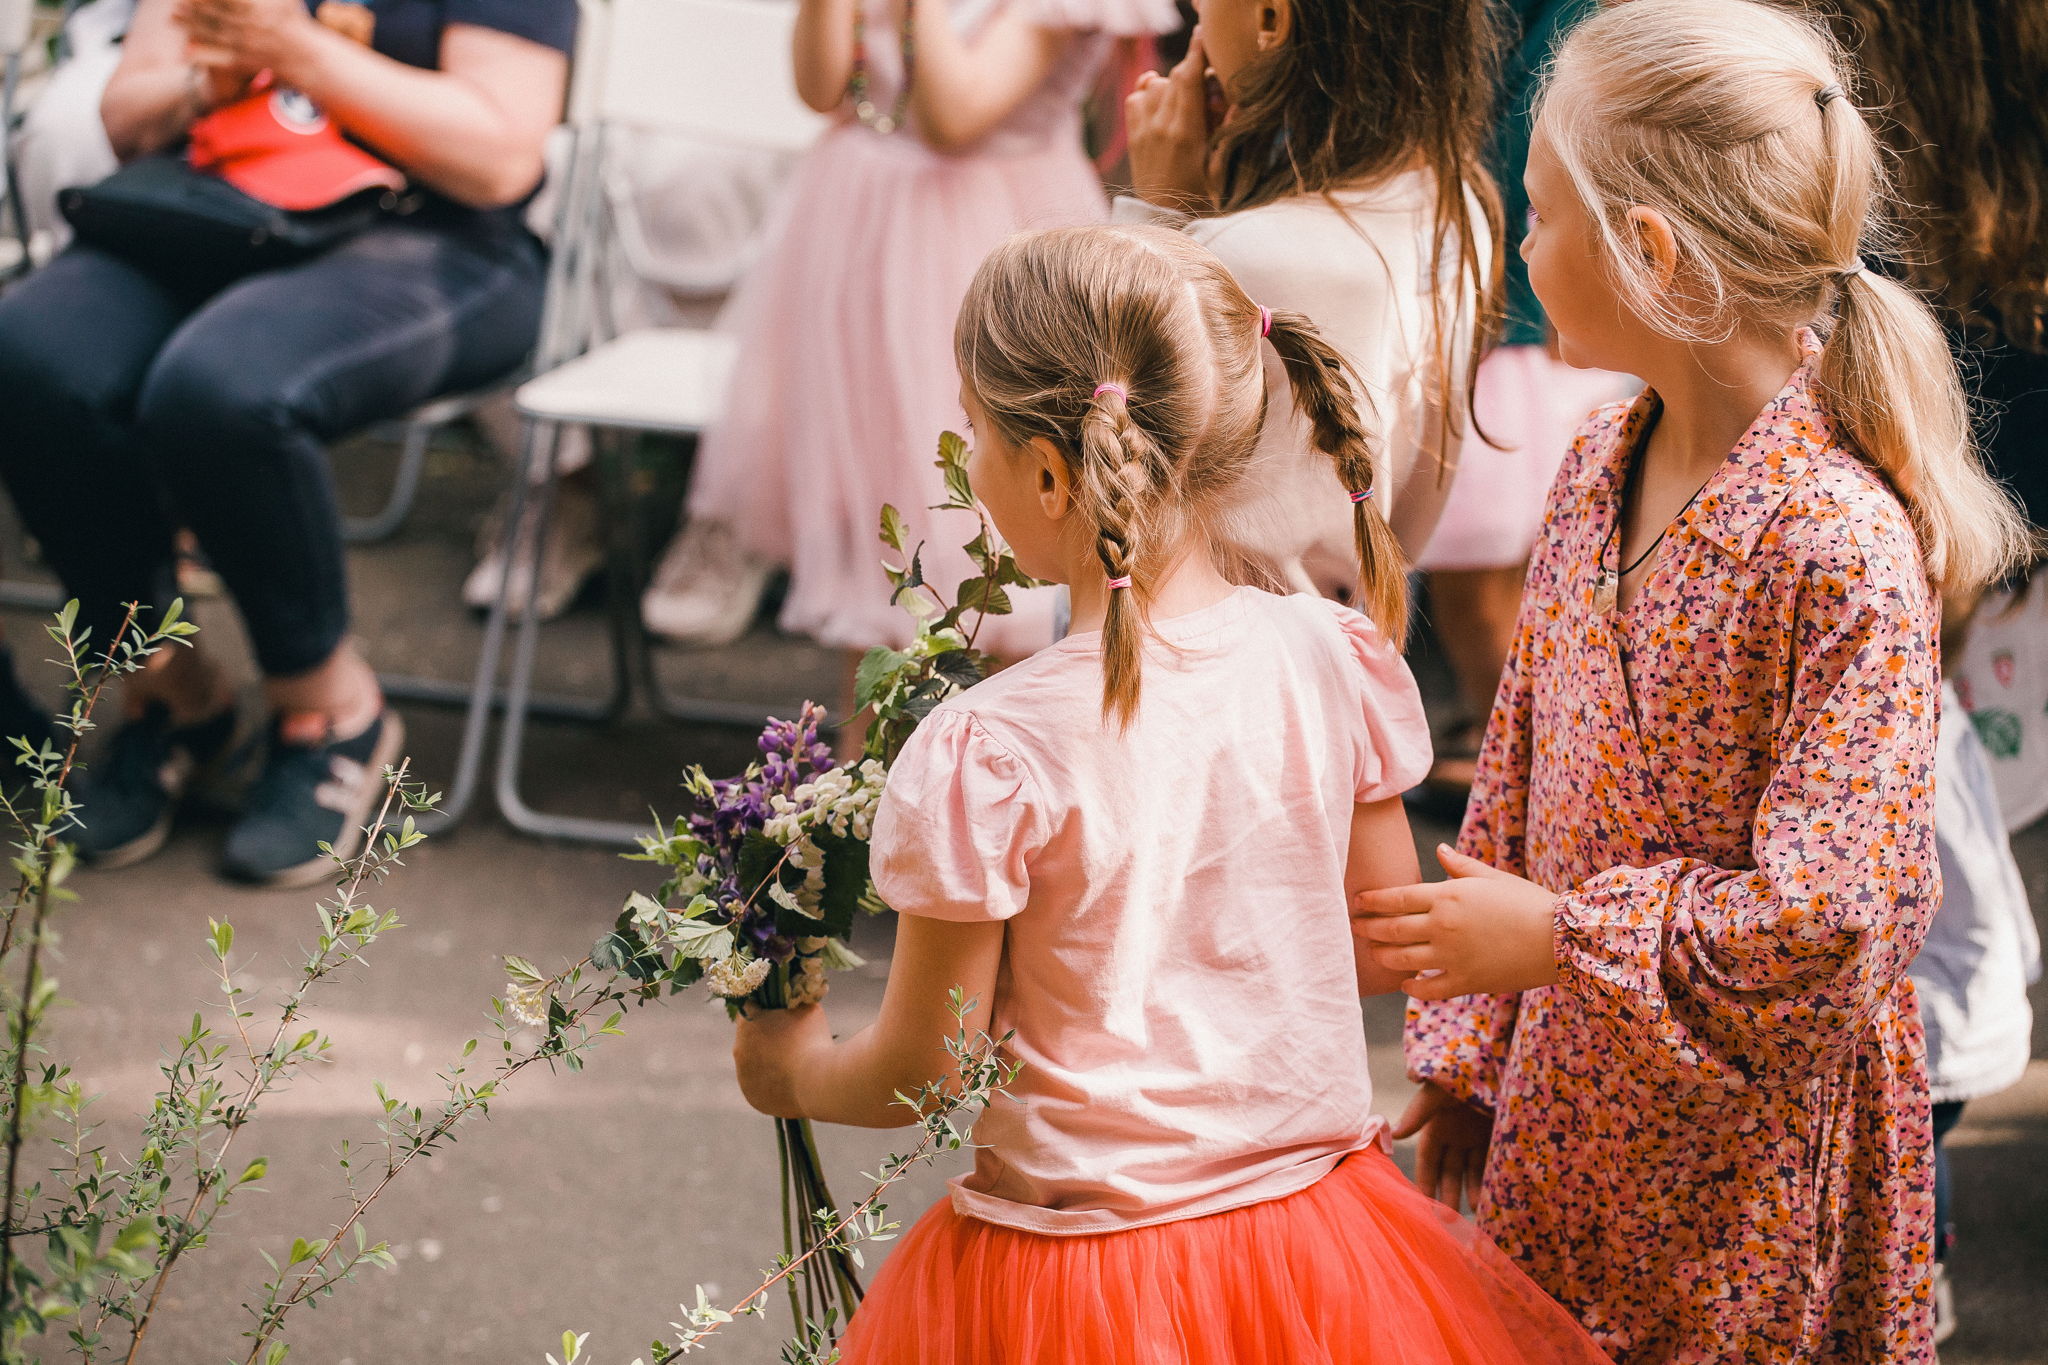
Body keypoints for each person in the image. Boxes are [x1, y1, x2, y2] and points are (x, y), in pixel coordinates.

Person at [730, 226, 1614, 1363]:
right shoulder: (1327, 655)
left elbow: (926, 1071)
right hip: (1313, 1249)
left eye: (972, 432)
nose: (965, 459)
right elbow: (1380, 947)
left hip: (1076, 1281)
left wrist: (787, 1065)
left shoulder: (987, 751)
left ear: (1048, 474)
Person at [1353, 2, 2033, 1361]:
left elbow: (1836, 919)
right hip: (1572, 1136)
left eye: (1540, 212)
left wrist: (1560, 938)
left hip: (1753, 1203)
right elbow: (1522, 778)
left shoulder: (1839, 543)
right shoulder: (1598, 461)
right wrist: (1475, 1053)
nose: (1520, 243)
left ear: (1650, 253)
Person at [0, 0, 573, 885]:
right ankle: (172, 689)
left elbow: (498, 156)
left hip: (439, 233)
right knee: (31, 357)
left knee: (222, 389)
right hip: (228, 204)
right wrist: (207, 83)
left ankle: (331, 709)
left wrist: (296, 52)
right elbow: (126, 120)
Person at [642, 0, 1179, 652]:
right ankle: (866, 745)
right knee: (877, 533)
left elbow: (954, 117)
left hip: (991, 254)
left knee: (983, 525)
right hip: (859, 250)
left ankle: (999, 737)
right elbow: (822, 90)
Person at [1117, 0, 1499, 592]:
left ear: (1271, 19)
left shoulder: (1245, 254)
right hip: (1354, 635)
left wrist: (1162, 216)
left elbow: (1117, 470)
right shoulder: (1456, 203)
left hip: (1211, 655)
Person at [1412, 0, 1631, 807]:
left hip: (1503, 295)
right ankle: (1519, 751)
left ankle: (1537, 769)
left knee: (1488, 571)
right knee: (1496, 573)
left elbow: (1528, 127)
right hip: (1495, 284)